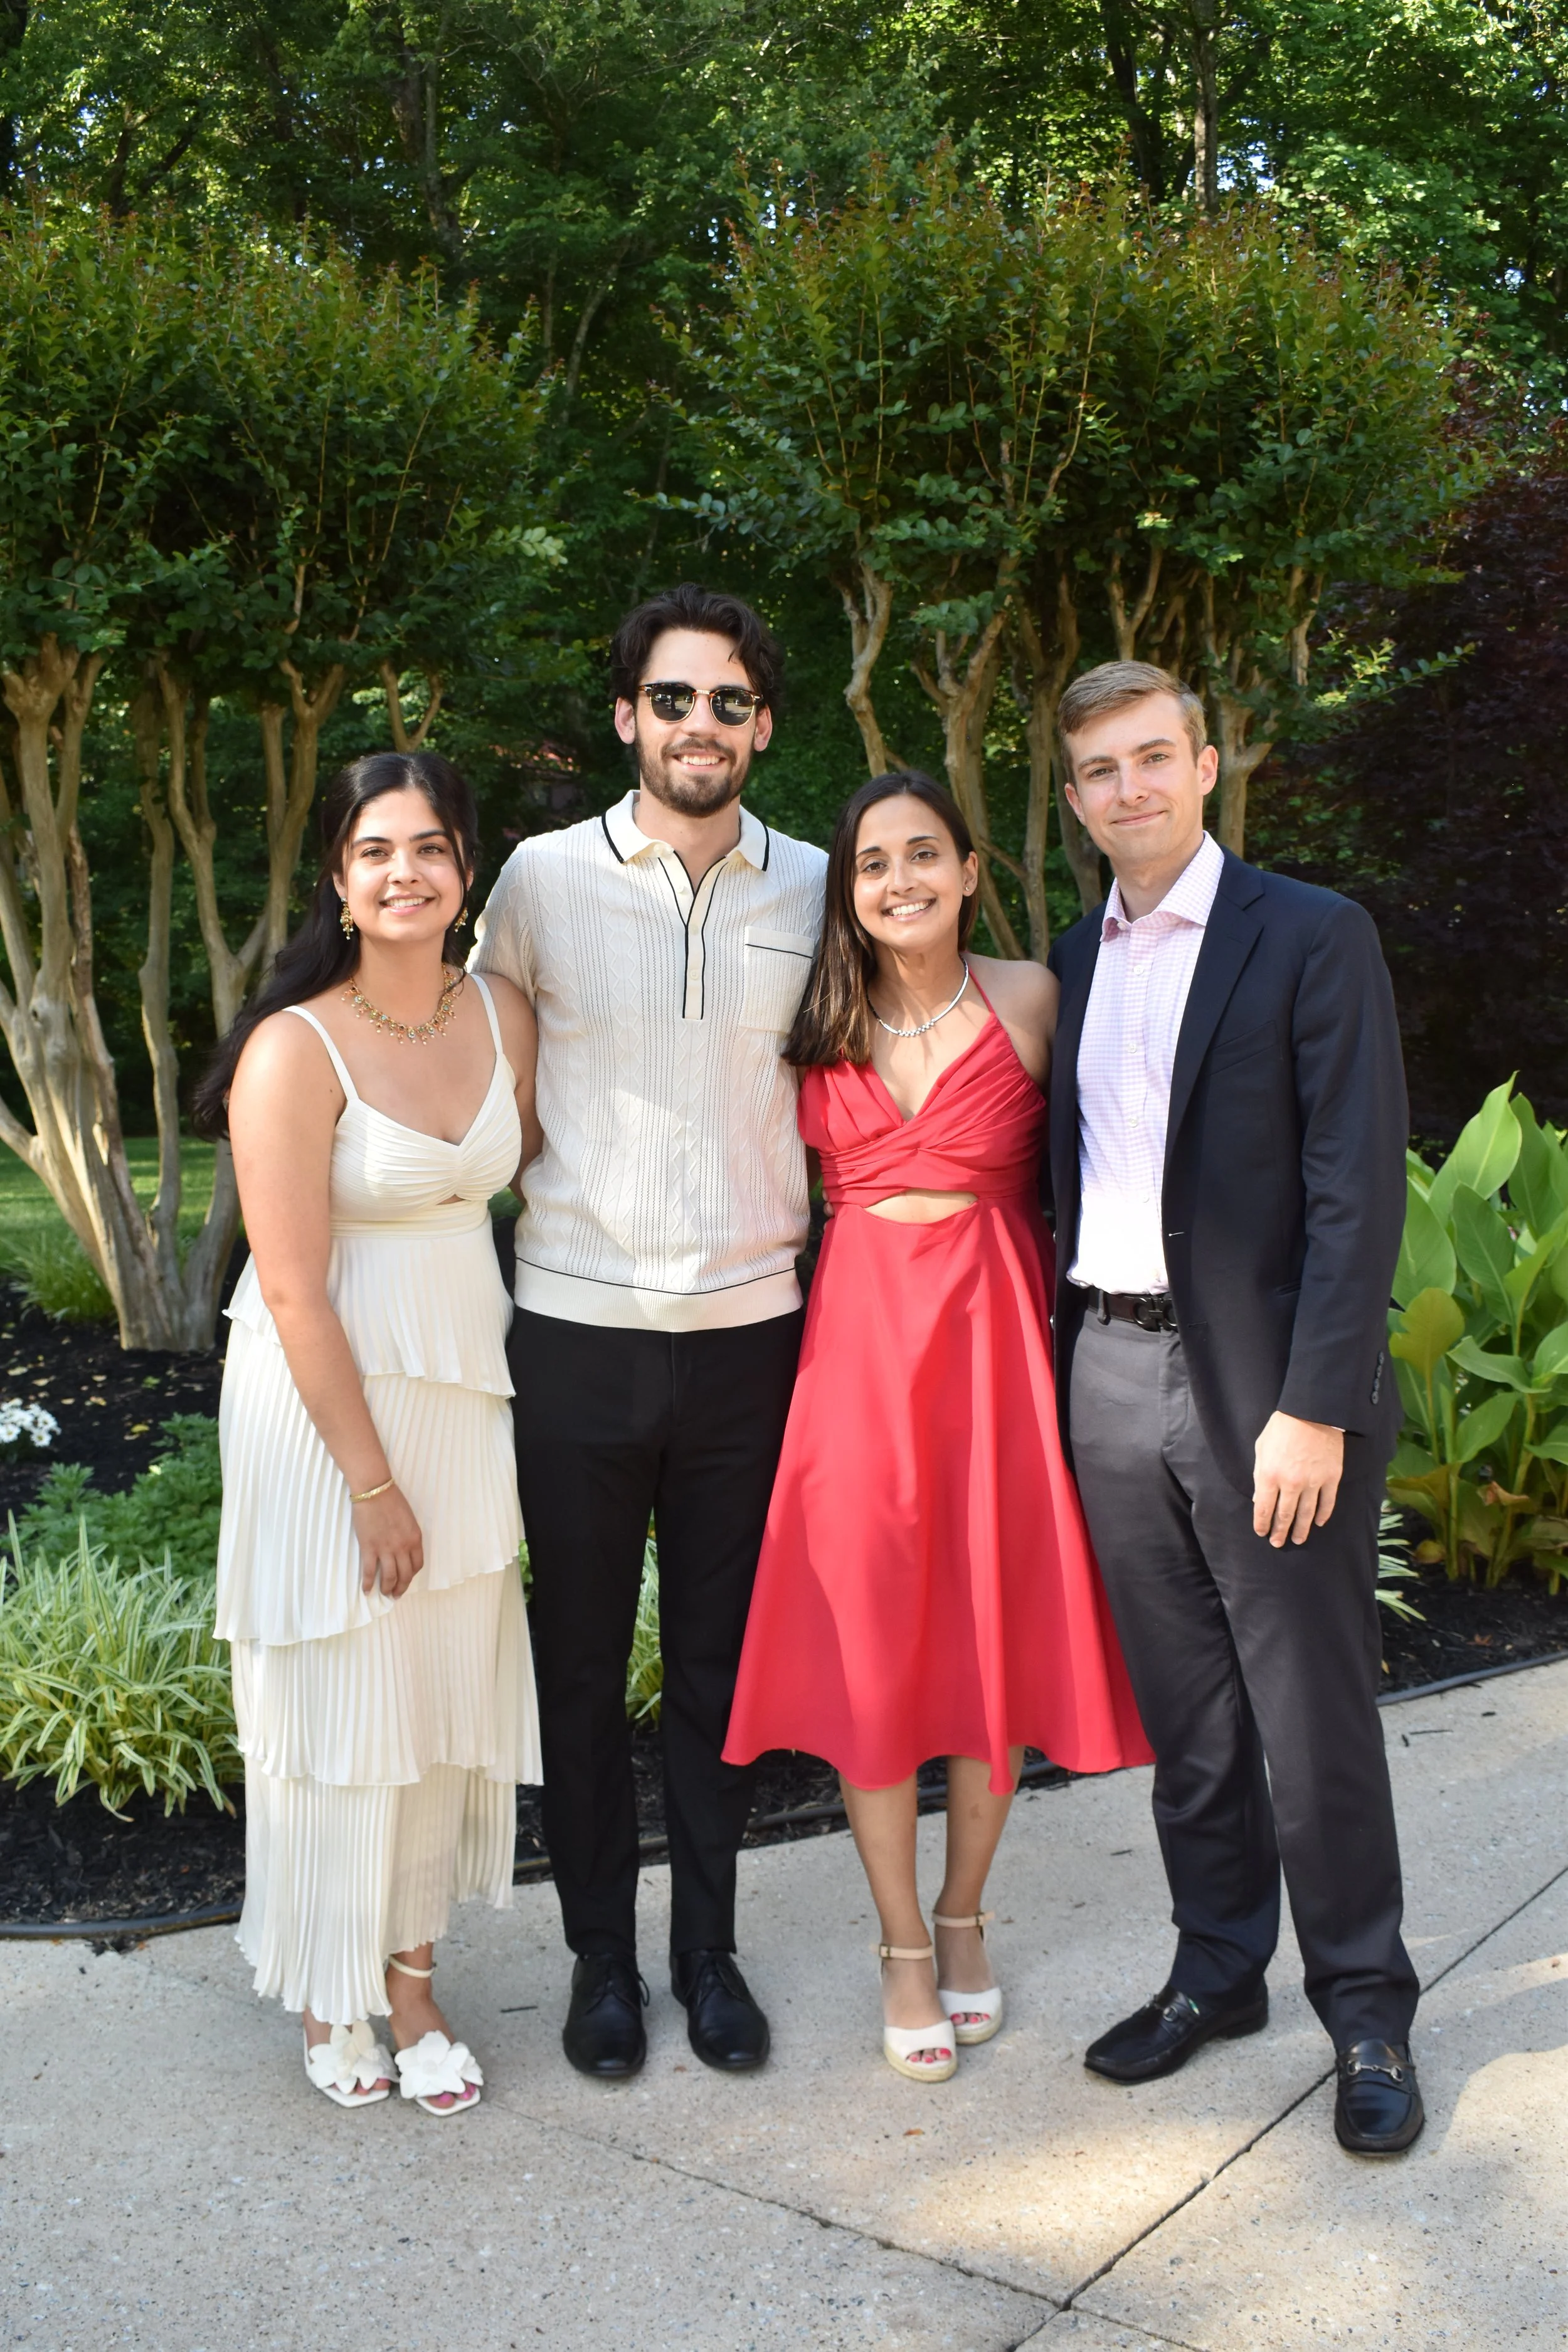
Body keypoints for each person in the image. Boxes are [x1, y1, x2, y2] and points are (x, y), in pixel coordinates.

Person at [1046, 659, 1423, 2156]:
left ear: (1205, 766)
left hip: (1266, 1396)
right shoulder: (1070, 962)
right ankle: (1218, 1971)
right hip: (1106, 1373)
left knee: (1309, 1718)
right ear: (1073, 800)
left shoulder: (1311, 936)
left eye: (1153, 757)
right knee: (1188, 1719)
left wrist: (1315, 1404)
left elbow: (1353, 1184)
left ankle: (1367, 2012)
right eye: (1099, 771)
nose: (1128, 788)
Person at [724, 773, 1150, 2080]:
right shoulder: (813, 1017)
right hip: (855, 1365)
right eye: (870, 863)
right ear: (844, 891)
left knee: (985, 1649)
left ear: (968, 869)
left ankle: (964, 1916)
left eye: (922, 854)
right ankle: (898, 1943)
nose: (897, 878)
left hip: (990, 1357)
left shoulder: (1031, 998)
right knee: (869, 1658)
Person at [470, 583, 827, 2079]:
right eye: (672, 699)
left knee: (717, 1669)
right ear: (627, 716)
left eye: (728, 702)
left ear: (762, 725)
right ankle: (601, 1964)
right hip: (575, 1328)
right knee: (577, 1667)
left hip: (754, 1336)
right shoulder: (540, 881)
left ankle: (709, 1953)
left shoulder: (816, 882)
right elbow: (467, 1076)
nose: (700, 726)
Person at [198, 751, 541, 2117]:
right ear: (339, 880)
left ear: (466, 870)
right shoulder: (297, 1045)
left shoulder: (502, 1010)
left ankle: (411, 1978)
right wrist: (368, 1482)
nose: (407, 872)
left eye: (432, 848)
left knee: (438, 1696)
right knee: (339, 1700)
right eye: (376, 851)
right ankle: (330, 1993)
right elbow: (287, 1285)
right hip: (325, 1412)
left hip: (462, 1382)